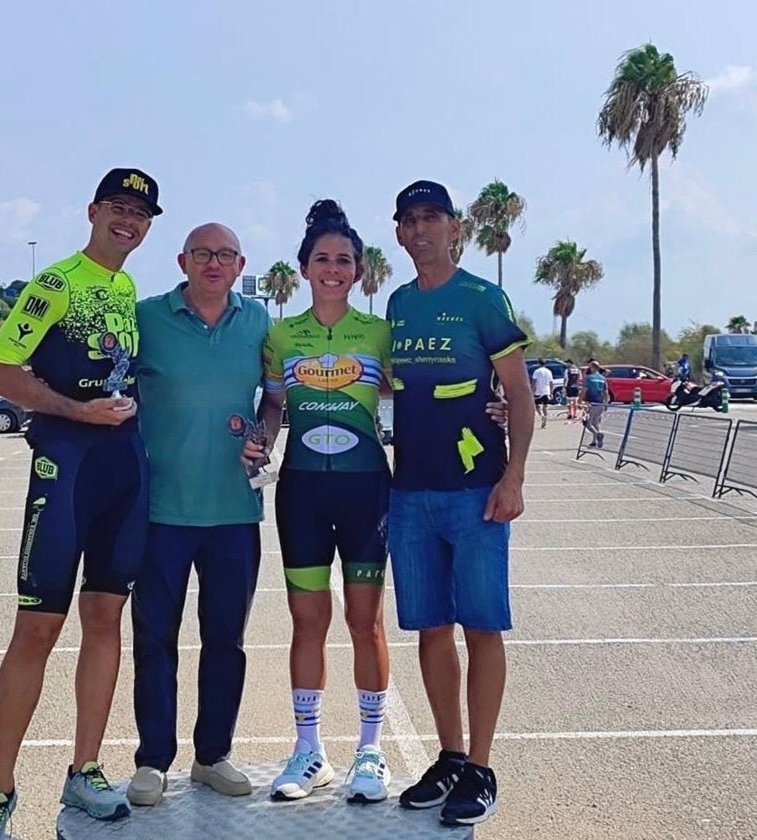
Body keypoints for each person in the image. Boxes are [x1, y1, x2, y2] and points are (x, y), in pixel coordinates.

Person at [0, 168, 161, 839]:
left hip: (122, 468)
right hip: (67, 467)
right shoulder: (55, 282)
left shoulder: (127, 287)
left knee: (105, 618)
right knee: (38, 629)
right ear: (92, 211)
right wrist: (75, 410)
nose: (128, 221)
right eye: (118, 208)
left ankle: (84, 770)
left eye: (140, 213)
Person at [384, 180, 534, 828]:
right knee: (431, 629)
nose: (420, 230)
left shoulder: (482, 298)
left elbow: (520, 396)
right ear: (398, 233)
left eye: (431, 218)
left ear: (454, 228)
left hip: (477, 490)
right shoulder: (395, 304)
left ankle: (479, 766)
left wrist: (515, 479)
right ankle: (447, 756)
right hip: (410, 491)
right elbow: (385, 389)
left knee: (481, 626)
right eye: (409, 219)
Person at [251, 200, 394, 804]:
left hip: (367, 490)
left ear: (358, 271)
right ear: (304, 268)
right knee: (308, 622)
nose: (332, 269)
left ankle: (370, 752)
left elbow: (416, 398)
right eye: (322, 259)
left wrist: (488, 412)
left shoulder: (380, 333)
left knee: (366, 622)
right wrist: (258, 440)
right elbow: (275, 406)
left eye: (343, 260)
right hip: (303, 491)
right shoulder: (281, 335)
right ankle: (309, 752)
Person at [126, 223, 271, 806]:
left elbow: (278, 397)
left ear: (240, 265)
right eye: (203, 254)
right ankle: (152, 761)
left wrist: (264, 435)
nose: (214, 263)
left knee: (225, 642)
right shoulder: (145, 317)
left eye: (226, 255)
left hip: (235, 512)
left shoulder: (260, 323)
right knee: (154, 640)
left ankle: (213, 755)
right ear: (183, 260)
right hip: (159, 511)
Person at [581, 361, 610, 448]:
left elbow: (584, 390)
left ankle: (597, 434)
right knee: (595, 423)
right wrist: (606, 403)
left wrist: (579, 400)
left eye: (590, 367)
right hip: (600, 403)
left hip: (591, 403)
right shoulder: (602, 378)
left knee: (587, 423)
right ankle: (594, 441)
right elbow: (605, 392)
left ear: (593, 367)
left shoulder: (589, 378)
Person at [530, 358, 553, 428]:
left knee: (537, 406)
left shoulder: (536, 371)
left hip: (538, 391)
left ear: (538, 363)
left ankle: (541, 416)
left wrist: (532, 391)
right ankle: (545, 419)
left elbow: (534, 382)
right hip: (546, 391)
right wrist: (551, 392)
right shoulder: (549, 371)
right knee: (545, 407)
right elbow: (551, 382)